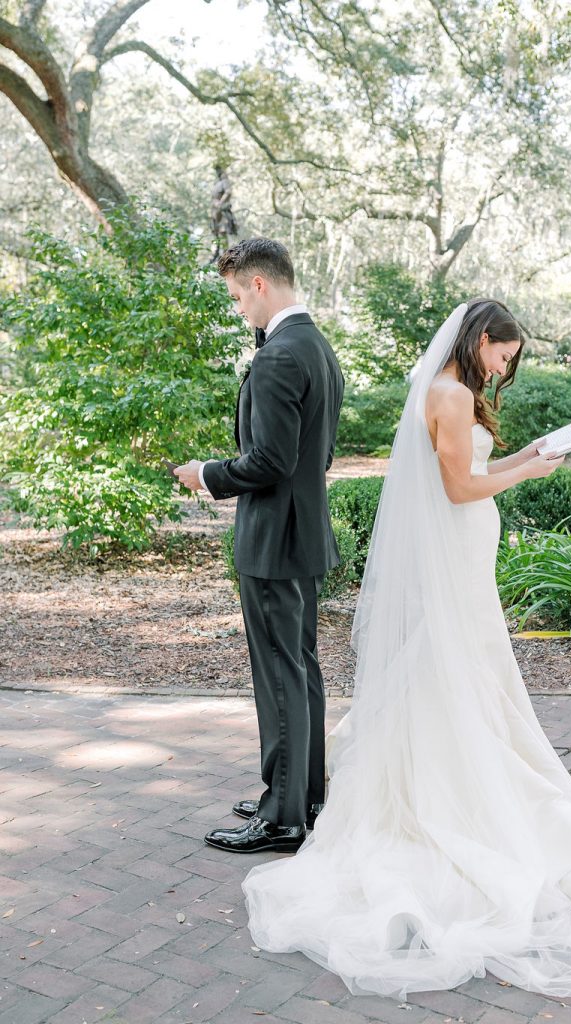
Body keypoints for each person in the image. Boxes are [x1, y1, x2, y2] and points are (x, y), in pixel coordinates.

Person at [239, 299, 571, 1000]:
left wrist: (528, 454)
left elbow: (474, 467)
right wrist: (526, 476)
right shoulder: (449, 395)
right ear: (482, 339)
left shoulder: (449, 392)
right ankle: (455, 803)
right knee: (458, 673)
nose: (505, 366)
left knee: (465, 674)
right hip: (457, 553)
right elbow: (458, 488)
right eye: (504, 354)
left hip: (465, 556)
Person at [174, 237, 344, 854]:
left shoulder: (278, 357)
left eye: (237, 295)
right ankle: (303, 794)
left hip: (274, 540)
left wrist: (209, 474)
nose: (239, 307)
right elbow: (316, 455)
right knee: (299, 671)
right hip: (303, 534)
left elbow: (271, 459)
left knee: (278, 676)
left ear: (261, 285)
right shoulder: (318, 348)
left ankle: (282, 819)